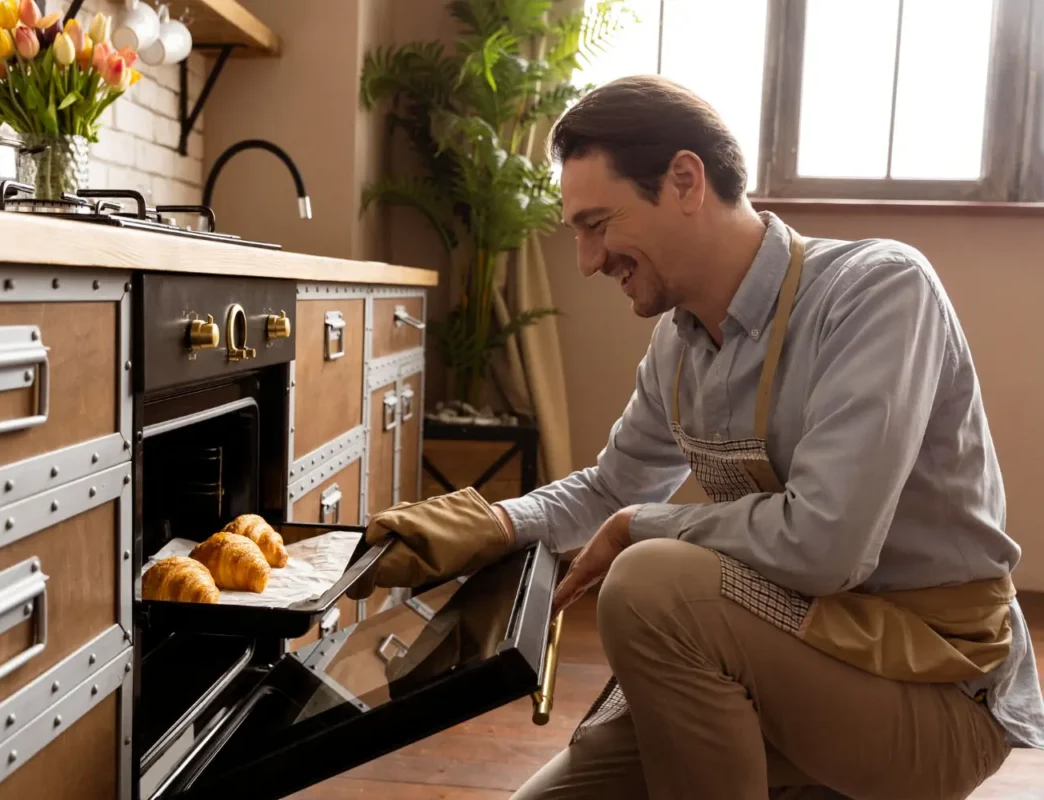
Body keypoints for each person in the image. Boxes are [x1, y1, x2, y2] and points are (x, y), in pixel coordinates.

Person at [357, 75, 1044, 799]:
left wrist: (640, 528)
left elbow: (826, 544)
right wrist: (489, 523)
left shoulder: (878, 292)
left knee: (649, 585)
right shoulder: (677, 346)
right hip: (779, 652)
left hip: (931, 692)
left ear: (685, 179)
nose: (588, 261)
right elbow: (613, 490)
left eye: (597, 224)